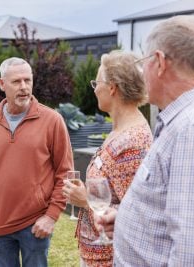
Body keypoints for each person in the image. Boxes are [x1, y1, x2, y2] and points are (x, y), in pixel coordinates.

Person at [97, 15, 194, 266]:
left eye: (144, 62)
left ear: (160, 62)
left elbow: (190, 249)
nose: (141, 73)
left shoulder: (191, 128)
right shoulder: (179, 122)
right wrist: (123, 220)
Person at [0, 57, 73, 267]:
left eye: (28, 80)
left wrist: (51, 216)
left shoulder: (52, 121)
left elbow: (65, 173)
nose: (24, 87)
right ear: (1, 84)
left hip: (35, 224)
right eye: (17, 81)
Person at [63, 50, 152, 267]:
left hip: (112, 258)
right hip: (99, 255)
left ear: (112, 87)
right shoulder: (119, 131)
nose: (95, 89)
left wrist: (85, 199)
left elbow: (138, 216)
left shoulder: (133, 142)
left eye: (97, 83)